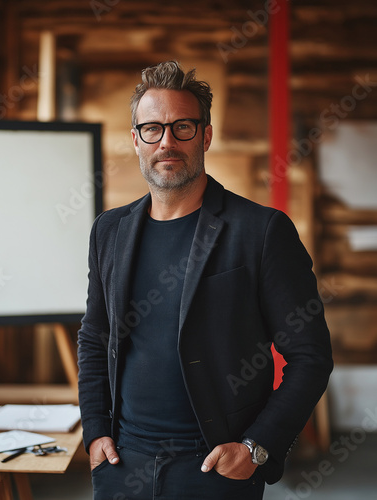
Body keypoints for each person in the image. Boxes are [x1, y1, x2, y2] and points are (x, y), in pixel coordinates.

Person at [77, 60, 333, 500]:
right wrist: (96, 431)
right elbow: (94, 336)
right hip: (123, 463)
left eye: (183, 127)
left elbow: (310, 356)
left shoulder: (261, 231)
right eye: (153, 129)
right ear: (136, 140)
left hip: (214, 467)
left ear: (206, 135)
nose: (167, 142)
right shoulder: (109, 230)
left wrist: (256, 448)